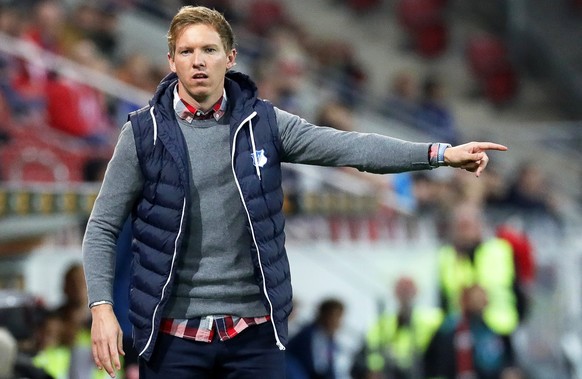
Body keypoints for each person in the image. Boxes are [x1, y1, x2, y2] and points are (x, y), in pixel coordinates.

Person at [81, 6, 507, 378]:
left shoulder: (265, 124)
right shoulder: (142, 133)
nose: (198, 61)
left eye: (209, 50)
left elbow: (349, 147)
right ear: (170, 61)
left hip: (253, 336)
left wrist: (439, 153)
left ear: (229, 58)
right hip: (173, 337)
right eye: (187, 51)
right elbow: (102, 226)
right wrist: (101, 307)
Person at [436, 202, 521, 339]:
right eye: (460, 227)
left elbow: (518, 291)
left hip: (499, 328)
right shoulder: (447, 256)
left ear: (479, 226)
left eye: (468, 226)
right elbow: (443, 298)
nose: (464, 232)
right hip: (459, 331)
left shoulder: (498, 251)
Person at [423, 285, 520, 379]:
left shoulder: (493, 332)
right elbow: (432, 363)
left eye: (482, 299)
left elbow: (504, 363)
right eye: (475, 299)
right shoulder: (448, 330)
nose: (479, 303)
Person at [365, 276, 443, 379]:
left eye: (408, 289)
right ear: (395, 293)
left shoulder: (434, 319)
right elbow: (372, 353)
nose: (405, 294)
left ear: (416, 291)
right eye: (401, 289)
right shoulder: (382, 324)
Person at [286, 298, 345, 379]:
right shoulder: (309, 335)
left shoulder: (330, 343)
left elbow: (328, 369)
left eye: (339, 317)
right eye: (334, 316)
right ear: (323, 314)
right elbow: (312, 367)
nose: (337, 321)